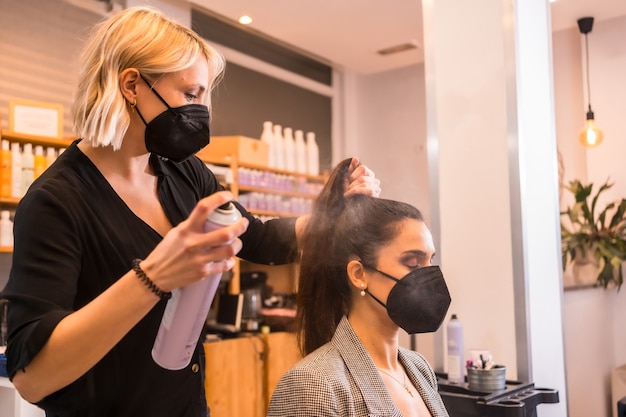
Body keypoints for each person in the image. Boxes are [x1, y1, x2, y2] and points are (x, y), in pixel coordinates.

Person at [0, 7, 380, 417]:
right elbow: (32, 377)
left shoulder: (183, 172)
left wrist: (333, 214)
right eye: (190, 94)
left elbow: (258, 239)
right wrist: (154, 277)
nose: (201, 112)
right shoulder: (56, 200)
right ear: (131, 84)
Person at [267, 159, 451, 417]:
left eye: (430, 261)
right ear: (359, 274)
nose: (428, 276)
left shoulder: (419, 369)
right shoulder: (313, 385)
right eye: (412, 262)